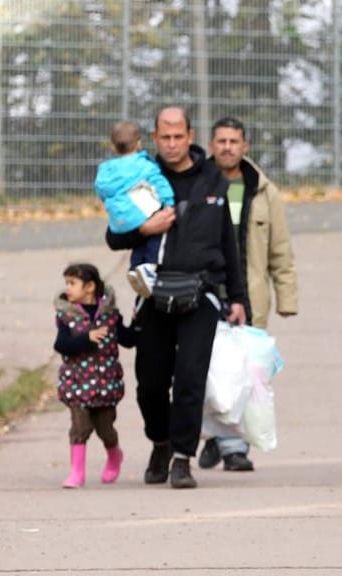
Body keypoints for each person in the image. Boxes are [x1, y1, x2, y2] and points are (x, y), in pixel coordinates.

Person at [104, 106, 249, 491]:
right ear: (154, 138)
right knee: (150, 383)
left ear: (189, 136)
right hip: (153, 292)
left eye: (178, 136)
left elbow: (229, 242)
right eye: (164, 137)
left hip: (200, 292)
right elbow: (114, 236)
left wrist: (238, 297)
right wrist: (144, 228)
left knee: (190, 378)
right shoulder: (138, 175)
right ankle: (161, 443)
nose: (171, 144)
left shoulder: (215, 179)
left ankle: (183, 458)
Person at [197, 116, 299, 473]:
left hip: (249, 294)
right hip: (205, 291)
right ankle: (213, 436)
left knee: (245, 373)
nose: (227, 147)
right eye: (221, 141)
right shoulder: (198, 183)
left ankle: (235, 446)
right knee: (206, 371)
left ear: (245, 147)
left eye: (233, 141)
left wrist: (287, 297)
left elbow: (279, 248)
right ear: (211, 145)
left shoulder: (262, 190)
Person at [51, 262, 133, 489]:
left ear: (89, 287)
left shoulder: (110, 315)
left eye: (72, 283)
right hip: (77, 384)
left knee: (106, 430)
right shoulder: (66, 316)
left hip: (105, 383)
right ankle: (77, 473)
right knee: (80, 428)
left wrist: (137, 324)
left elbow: (127, 339)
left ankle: (115, 455)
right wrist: (86, 338)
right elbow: (61, 344)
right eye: (66, 283)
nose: (67, 288)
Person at [94, 120, 172, 297]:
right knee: (156, 235)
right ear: (139, 143)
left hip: (119, 219)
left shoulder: (107, 169)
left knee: (138, 243)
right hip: (142, 213)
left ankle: (136, 267)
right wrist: (169, 202)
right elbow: (160, 183)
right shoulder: (144, 165)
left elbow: (101, 188)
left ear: (114, 146)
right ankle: (150, 265)